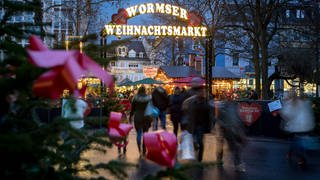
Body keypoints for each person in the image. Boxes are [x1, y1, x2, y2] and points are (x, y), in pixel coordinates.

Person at [280, 90, 315, 167]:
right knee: (296, 141)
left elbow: (287, 115)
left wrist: (282, 111)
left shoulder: (291, 103)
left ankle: (301, 158)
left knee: (296, 142)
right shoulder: (303, 102)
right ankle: (291, 154)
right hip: (306, 125)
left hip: (297, 127)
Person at [182, 84, 215, 162]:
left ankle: (200, 158)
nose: (201, 93)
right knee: (194, 140)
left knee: (200, 141)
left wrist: (211, 125)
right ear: (197, 93)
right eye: (200, 92)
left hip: (201, 125)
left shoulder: (206, 102)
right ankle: (196, 148)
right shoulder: (192, 102)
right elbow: (187, 112)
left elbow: (210, 114)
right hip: (193, 124)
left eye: (202, 92)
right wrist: (186, 121)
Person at [215, 98, 248, 172]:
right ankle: (220, 160)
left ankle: (237, 164)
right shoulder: (222, 108)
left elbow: (237, 119)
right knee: (222, 146)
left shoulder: (234, 107)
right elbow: (218, 119)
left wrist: (240, 130)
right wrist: (224, 126)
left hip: (232, 130)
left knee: (235, 147)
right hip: (224, 130)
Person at [129, 86, 152, 156]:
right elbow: (151, 108)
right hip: (146, 116)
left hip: (138, 117)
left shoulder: (135, 98)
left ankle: (139, 148)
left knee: (139, 133)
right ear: (145, 90)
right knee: (145, 133)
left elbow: (132, 109)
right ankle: (144, 148)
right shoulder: (149, 98)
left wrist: (130, 116)